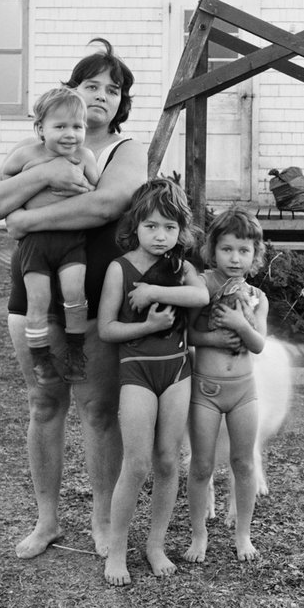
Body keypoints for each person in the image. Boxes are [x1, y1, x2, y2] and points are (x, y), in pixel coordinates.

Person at [0, 39, 146, 559]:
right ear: (70, 92)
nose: (100, 97)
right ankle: (46, 520)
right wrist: (47, 174)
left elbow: (109, 203)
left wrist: (27, 218)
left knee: (98, 409)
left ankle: (102, 520)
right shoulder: (37, 149)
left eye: (112, 90)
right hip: (31, 295)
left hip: (96, 297)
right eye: (90, 85)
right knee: (44, 402)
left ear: (122, 102)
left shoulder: (125, 149)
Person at [97, 178, 209, 586]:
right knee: (138, 462)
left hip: (177, 370)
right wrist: (148, 324)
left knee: (167, 460)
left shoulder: (182, 268)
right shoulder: (120, 268)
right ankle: (118, 547)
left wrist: (156, 292)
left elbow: (201, 298)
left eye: (170, 228)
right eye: (152, 226)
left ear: (182, 231)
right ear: (136, 226)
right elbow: (107, 329)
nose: (161, 236)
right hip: (137, 371)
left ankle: (155, 544)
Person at [0, 87, 99, 383]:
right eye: (60, 126)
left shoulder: (85, 156)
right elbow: (5, 178)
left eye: (77, 127)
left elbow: (97, 191)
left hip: (71, 241)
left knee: (75, 296)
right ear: (40, 129)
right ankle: (41, 358)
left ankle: (75, 353)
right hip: (35, 244)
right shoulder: (26, 155)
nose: (70, 134)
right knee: (38, 301)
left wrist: (84, 189)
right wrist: (33, 183)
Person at [184, 206, 269, 563]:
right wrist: (216, 340)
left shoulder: (257, 298)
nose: (235, 258)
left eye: (244, 251)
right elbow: (187, 332)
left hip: (243, 392)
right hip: (206, 390)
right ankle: (198, 534)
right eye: (227, 249)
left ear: (255, 255)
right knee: (202, 465)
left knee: (243, 462)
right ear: (213, 250)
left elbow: (258, 344)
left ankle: (243, 535)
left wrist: (239, 322)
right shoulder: (201, 286)